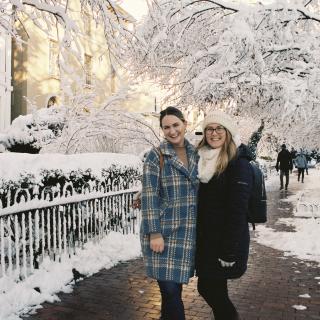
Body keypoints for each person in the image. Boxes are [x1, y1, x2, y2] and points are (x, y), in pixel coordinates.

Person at [140, 106, 199, 320]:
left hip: (187, 233)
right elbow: (149, 195)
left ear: (185, 124)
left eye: (176, 125)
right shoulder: (156, 156)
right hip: (163, 233)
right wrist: (154, 233)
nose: (172, 131)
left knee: (174, 292)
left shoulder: (197, 154)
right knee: (170, 291)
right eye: (166, 127)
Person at [196, 110, 253, 320]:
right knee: (214, 290)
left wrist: (229, 251)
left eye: (219, 128)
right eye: (209, 129)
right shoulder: (201, 158)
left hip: (224, 243)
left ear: (228, 132)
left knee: (210, 290)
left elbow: (237, 211)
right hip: (208, 241)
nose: (214, 133)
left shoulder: (238, 163)